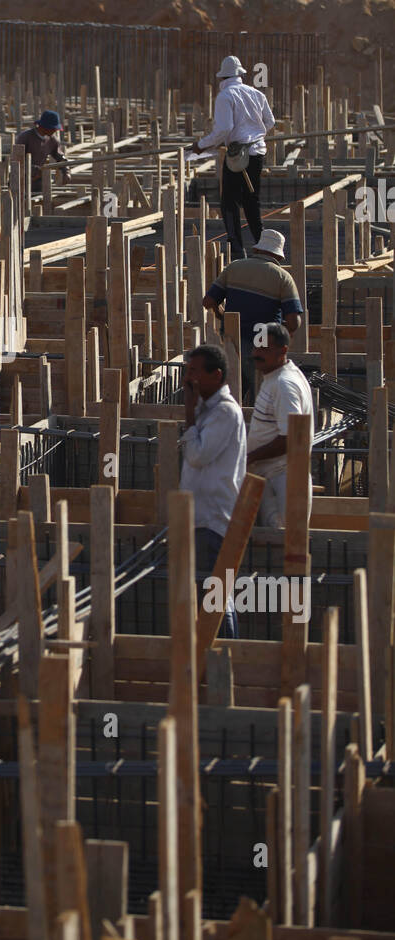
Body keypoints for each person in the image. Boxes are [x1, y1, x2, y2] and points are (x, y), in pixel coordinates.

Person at [179, 344, 247, 638]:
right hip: (201, 520)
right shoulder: (208, 411)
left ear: (215, 375)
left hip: (213, 521)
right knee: (209, 599)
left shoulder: (224, 413)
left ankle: (227, 660)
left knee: (216, 600)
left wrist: (189, 421)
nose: (188, 378)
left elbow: (197, 456)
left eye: (194, 371)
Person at [203, 228, 304, 401]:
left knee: (231, 392)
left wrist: (222, 315)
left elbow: (208, 302)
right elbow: (293, 322)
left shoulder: (234, 267)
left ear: (256, 249)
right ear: (279, 256)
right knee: (262, 394)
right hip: (263, 341)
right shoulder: (283, 278)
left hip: (230, 338)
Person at [190, 55, 275, 260]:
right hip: (256, 154)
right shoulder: (256, 94)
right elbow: (270, 122)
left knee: (229, 201)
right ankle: (263, 247)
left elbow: (225, 128)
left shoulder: (225, 96)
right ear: (241, 75)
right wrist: (255, 133)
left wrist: (201, 145)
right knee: (251, 200)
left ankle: (237, 249)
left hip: (238, 156)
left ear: (222, 77)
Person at [246, 322, 315, 528]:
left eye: (265, 349)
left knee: (280, 542)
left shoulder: (285, 385)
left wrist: (250, 457)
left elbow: (290, 438)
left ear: (283, 350)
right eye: (256, 347)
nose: (257, 353)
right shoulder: (273, 378)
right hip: (269, 477)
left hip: (283, 480)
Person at [14, 111, 70, 189]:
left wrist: (66, 171)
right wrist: (34, 169)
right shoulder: (25, 137)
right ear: (45, 127)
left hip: (38, 181)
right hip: (21, 180)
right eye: (53, 128)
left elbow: (60, 158)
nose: (55, 130)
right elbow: (17, 160)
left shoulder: (52, 140)